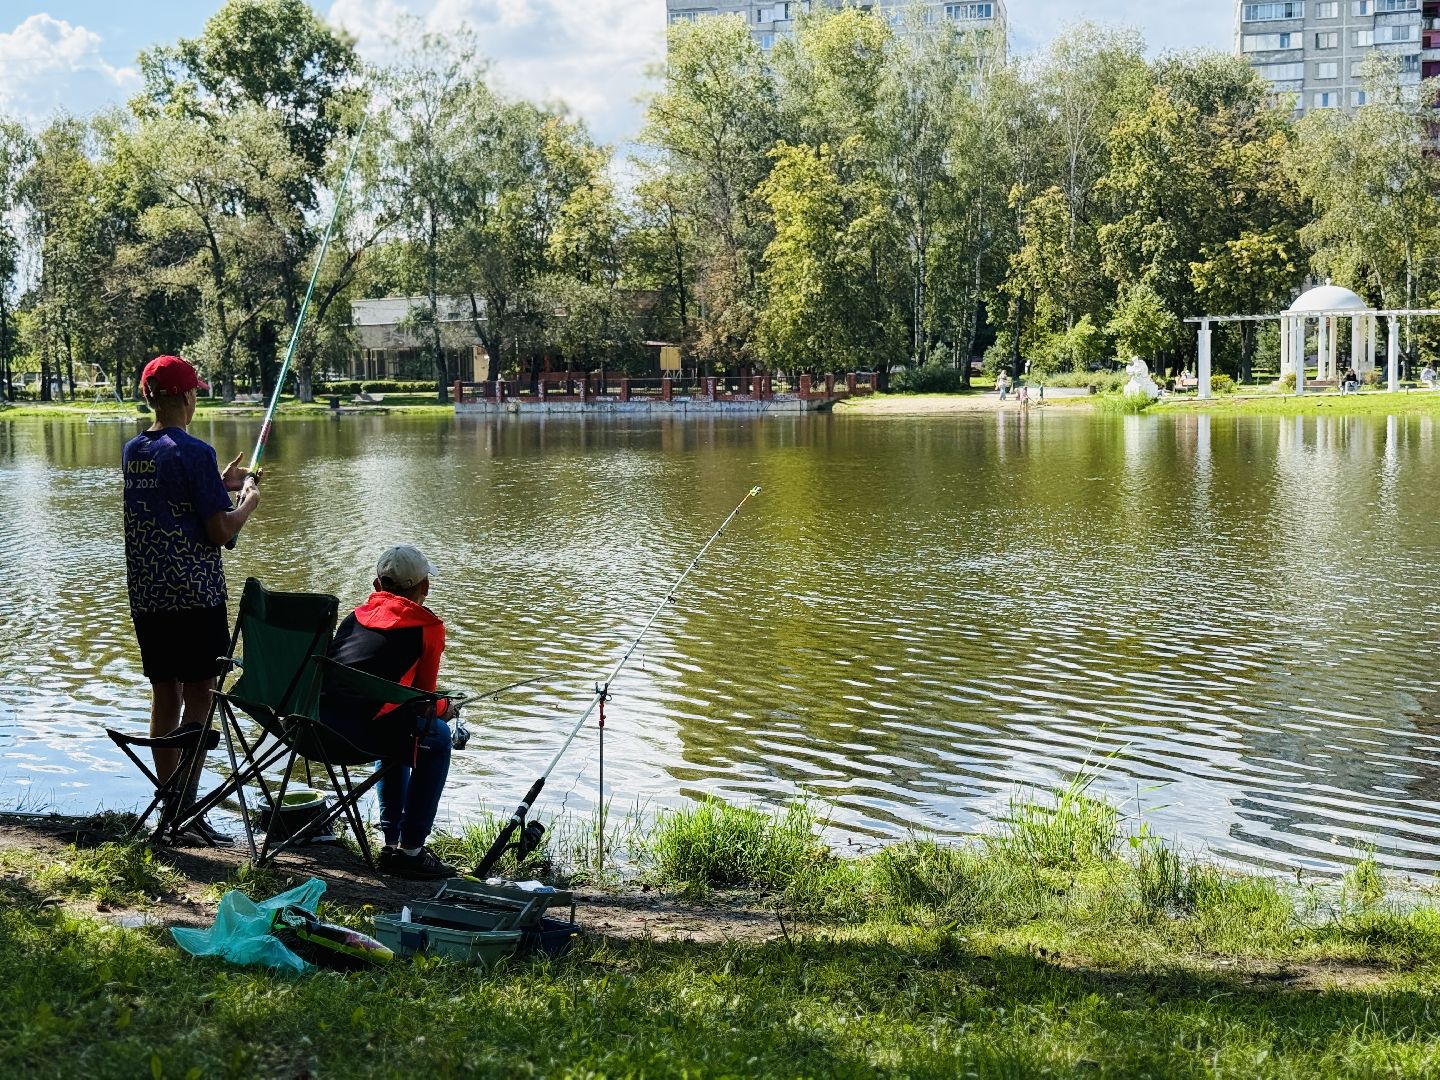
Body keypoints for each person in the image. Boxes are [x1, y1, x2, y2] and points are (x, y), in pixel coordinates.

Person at [123, 355, 260, 845]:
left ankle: (167, 804)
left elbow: (174, 501)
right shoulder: (195, 451)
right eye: (195, 392)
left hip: (148, 596)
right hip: (196, 596)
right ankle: (186, 803)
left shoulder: (134, 450)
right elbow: (220, 531)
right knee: (200, 690)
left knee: (165, 691)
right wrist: (246, 501)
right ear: (185, 397)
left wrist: (215, 486)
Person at [318, 545, 459, 880]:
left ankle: (390, 842)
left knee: (395, 723)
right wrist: (447, 708)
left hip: (314, 727)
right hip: (358, 738)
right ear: (424, 588)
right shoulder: (428, 628)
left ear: (377, 585)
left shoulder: (354, 618)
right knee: (436, 737)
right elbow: (425, 703)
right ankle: (411, 851)